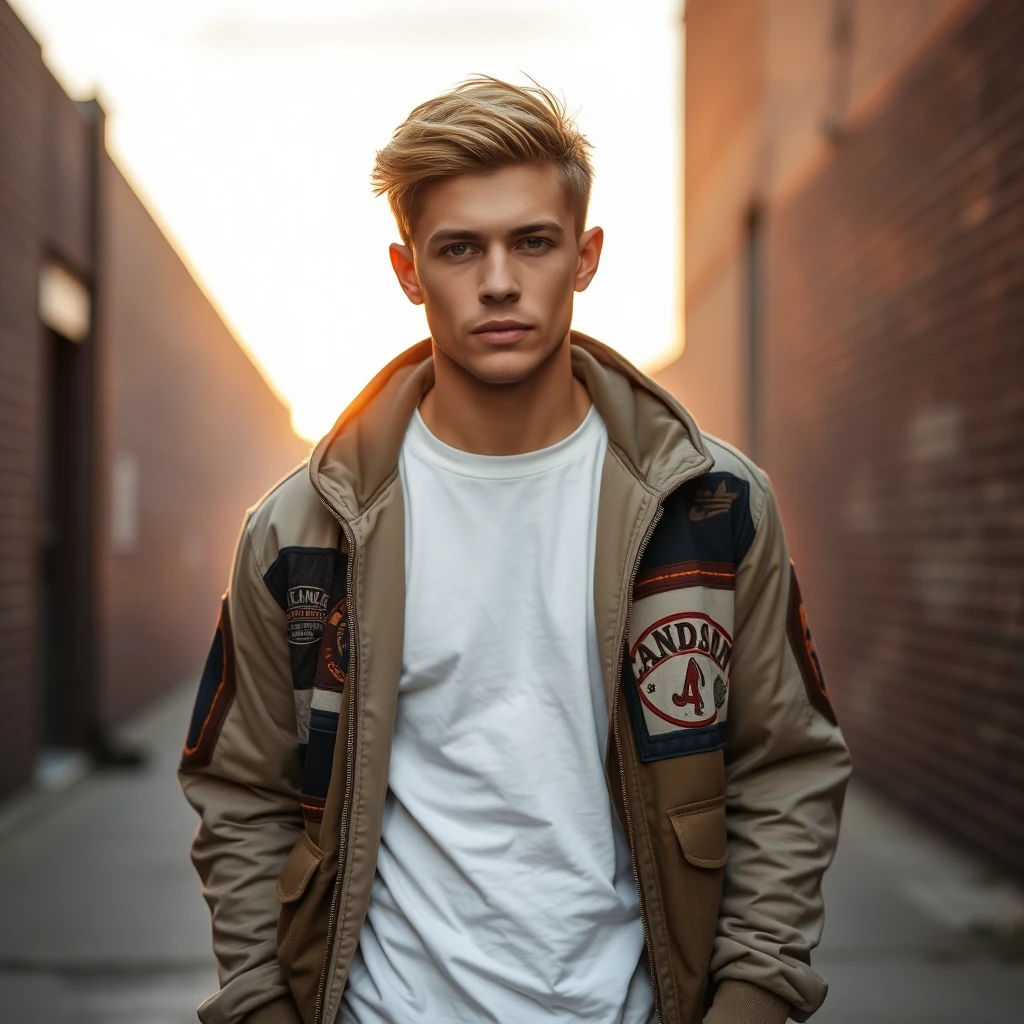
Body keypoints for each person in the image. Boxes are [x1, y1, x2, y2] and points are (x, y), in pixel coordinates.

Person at [179, 76, 851, 1024]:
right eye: (459, 248)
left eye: (531, 241)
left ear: (585, 256)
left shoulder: (711, 505)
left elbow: (784, 764)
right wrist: (259, 1005)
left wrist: (753, 996)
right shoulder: (301, 530)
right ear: (408, 272)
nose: (498, 279)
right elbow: (242, 790)